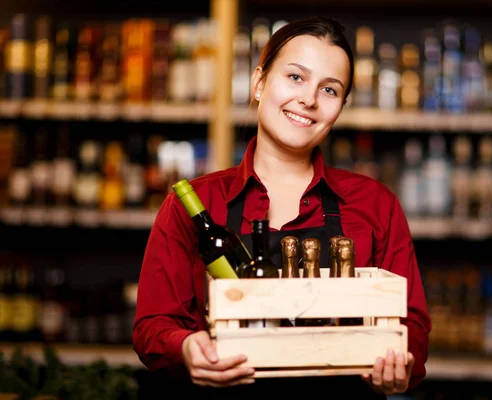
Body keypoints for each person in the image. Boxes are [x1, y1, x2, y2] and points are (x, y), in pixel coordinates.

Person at [133, 16, 431, 399]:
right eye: (295, 77)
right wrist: (185, 348)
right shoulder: (193, 205)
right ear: (259, 83)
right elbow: (153, 324)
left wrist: (400, 363)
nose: (308, 99)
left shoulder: (376, 205)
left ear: (341, 106)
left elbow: (413, 328)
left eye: (329, 89)